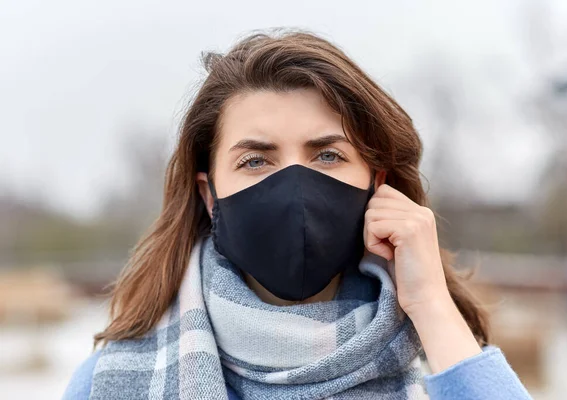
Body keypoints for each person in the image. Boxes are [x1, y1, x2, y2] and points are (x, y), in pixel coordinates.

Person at [63, 30, 533, 400]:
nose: (294, 188)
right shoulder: (110, 382)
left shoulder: (446, 364)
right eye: (256, 160)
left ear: (378, 183)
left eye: (327, 155)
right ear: (211, 196)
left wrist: (432, 305)